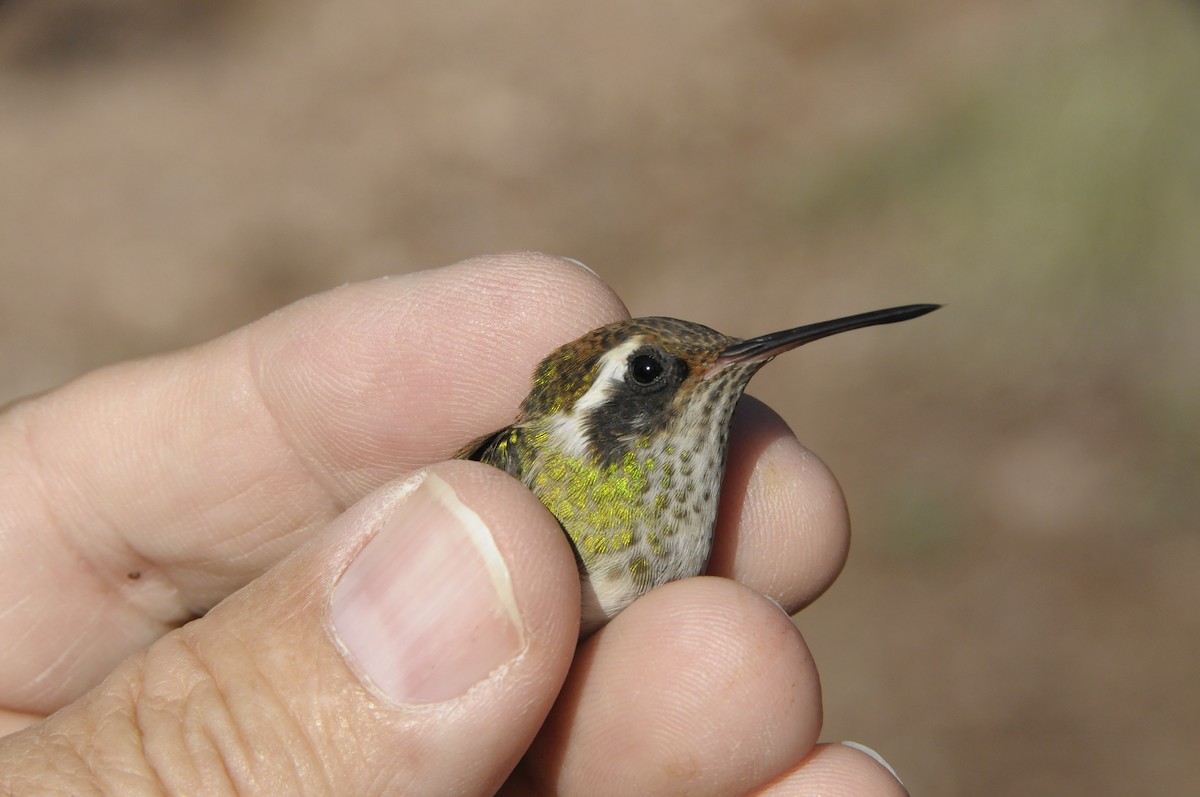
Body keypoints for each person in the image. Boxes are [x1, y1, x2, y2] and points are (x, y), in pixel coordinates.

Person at [0, 253, 907, 795]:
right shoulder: (524, 470)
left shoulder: (684, 497)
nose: (684, 379)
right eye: (651, 374)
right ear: (601, 414)